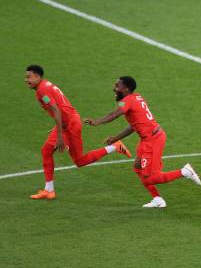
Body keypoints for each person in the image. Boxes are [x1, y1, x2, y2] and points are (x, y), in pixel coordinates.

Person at [84, 76, 201, 208]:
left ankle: (185, 171)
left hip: (153, 139)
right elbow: (133, 125)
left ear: (126, 89)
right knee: (137, 167)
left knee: (151, 178)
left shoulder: (127, 101)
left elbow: (115, 114)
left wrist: (97, 121)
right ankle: (158, 199)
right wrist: (116, 138)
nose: (114, 88)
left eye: (117, 86)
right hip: (148, 138)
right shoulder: (133, 98)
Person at [25, 64, 131, 200]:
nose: (26, 80)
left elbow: (56, 110)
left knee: (56, 154)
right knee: (76, 160)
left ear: (38, 76)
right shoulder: (45, 86)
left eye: (29, 77)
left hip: (69, 125)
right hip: (67, 122)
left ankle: (49, 190)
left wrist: (59, 136)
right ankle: (49, 190)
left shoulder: (42, 90)